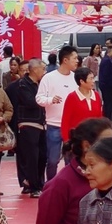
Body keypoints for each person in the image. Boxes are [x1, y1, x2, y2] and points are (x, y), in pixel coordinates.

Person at [37, 45, 80, 183]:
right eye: (74, 58)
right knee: (52, 160)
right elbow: (39, 98)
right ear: (65, 60)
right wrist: (51, 100)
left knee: (71, 160)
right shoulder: (49, 78)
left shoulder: (76, 78)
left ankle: (70, 186)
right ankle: (51, 185)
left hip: (72, 127)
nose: (77, 61)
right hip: (54, 125)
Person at [9, 58, 47, 197]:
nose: (44, 72)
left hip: (42, 123)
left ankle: (40, 184)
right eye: (43, 69)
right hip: (28, 124)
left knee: (43, 155)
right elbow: (31, 102)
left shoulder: (41, 83)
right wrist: (47, 99)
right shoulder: (22, 84)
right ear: (35, 70)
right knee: (32, 157)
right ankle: (33, 186)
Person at [61, 67, 103, 142]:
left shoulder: (96, 95)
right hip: (77, 139)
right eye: (90, 79)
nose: (93, 81)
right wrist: (66, 140)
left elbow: (100, 117)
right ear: (82, 81)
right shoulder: (72, 97)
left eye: (93, 78)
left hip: (94, 138)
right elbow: (65, 121)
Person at [98, 41, 112, 122]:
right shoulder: (106, 60)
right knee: (108, 104)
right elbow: (106, 75)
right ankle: (108, 119)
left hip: (108, 85)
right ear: (109, 52)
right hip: (107, 86)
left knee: (109, 103)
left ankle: (109, 119)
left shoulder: (109, 60)